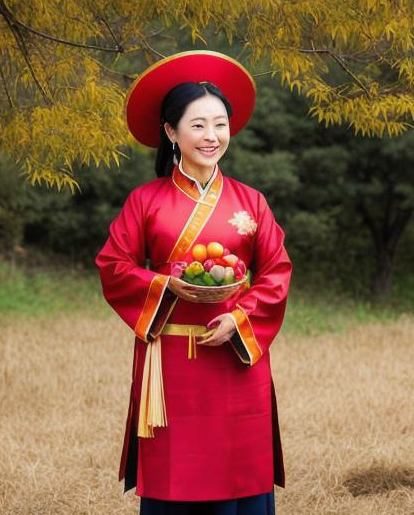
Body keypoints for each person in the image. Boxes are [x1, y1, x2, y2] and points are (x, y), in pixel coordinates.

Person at [96, 51, 290, 514]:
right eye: (198, 125)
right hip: (170, 366)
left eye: (220, 124)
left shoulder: (252, 201)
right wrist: (167, 287)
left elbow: (277, 272)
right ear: (171, 132)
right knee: (176, 474)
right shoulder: (146, 201)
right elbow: (113, 264)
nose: (211, 136)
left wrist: (240, 319)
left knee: (237, 470)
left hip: (235, 359)